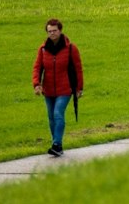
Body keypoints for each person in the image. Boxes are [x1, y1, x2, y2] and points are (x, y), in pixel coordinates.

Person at [32, 18, 84, 157]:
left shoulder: (71, 48)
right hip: (48, 90)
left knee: (57, 113)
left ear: (60, 31)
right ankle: (57, 146)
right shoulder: (43, 49)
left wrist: (79, 88)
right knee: (51, 118)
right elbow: (37, 67)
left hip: (65, 89)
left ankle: (56, 143)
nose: (52, 33)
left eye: (54, 31)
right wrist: (37, 84)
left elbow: (78, 69)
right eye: (49, 31)